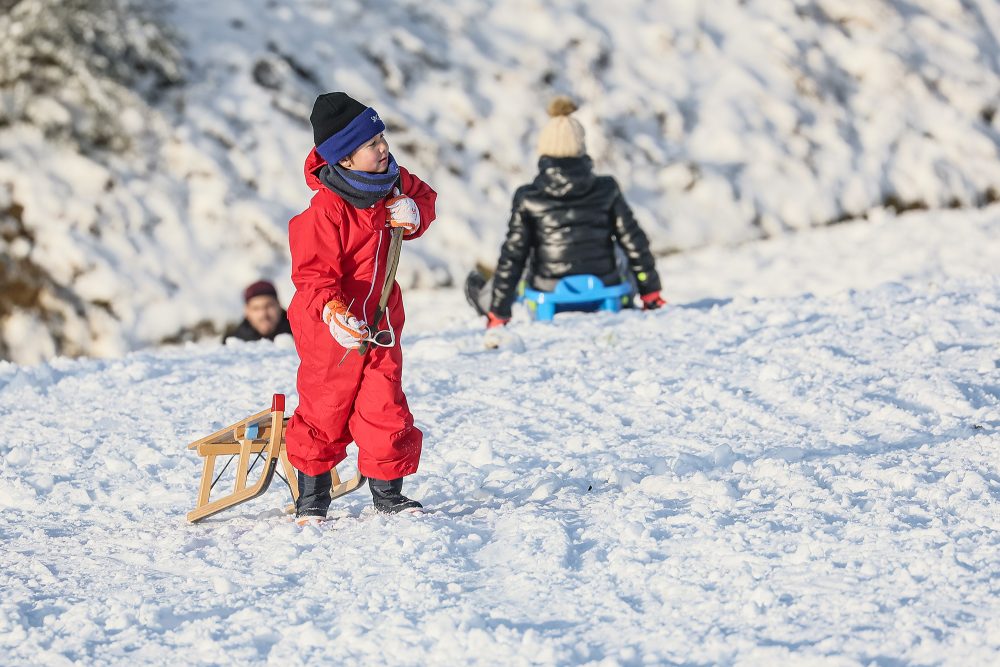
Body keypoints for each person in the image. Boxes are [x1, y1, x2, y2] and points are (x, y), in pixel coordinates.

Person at [285, 92, 436, 523]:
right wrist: (333, 314)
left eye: (382, 137)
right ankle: (312, 496)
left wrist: (416, 213)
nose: (384, 147)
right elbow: (312, 277)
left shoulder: (395, 181)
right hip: (327, 324)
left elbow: (425, 198)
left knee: (384, 405)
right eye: (372, 144)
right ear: (346, 160)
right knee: (325, 407)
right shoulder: (325, 212)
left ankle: (389, 495)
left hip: (381, 317)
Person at [465, 96, 666, 327]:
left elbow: (513, 256)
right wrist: (650, 291)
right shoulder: (607, 188)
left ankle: (488, 303)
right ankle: (626, 300)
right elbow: (635, 242)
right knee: (623, 242)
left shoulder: (528, 197)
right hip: (605, 283)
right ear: (581, 147)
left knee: (522, 252)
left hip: (548, 288)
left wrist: (500, 312)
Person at [222, 280, 292, 343]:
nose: (263, 314)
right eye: (256, 308)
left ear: (279, 305)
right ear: (246, 311)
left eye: (268, 306)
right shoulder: (232, 343)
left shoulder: (299, 334)